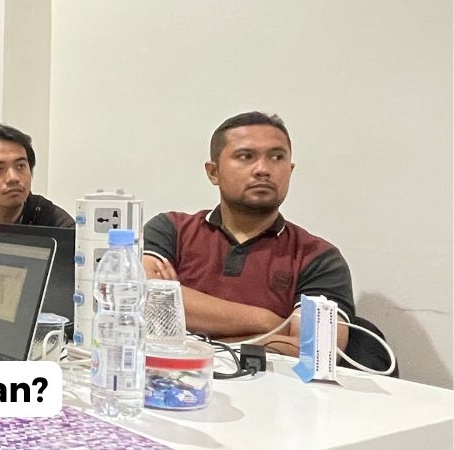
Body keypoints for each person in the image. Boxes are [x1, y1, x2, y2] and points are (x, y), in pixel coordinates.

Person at [141, 112, 353, 354]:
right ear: (213, 172)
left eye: (277, 157)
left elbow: (317, 351)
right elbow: (141, 299)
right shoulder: (171, 230)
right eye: (246, 156)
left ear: (290, 170)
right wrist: (268, 322)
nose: (263, 169)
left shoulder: (318, 257)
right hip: (175, 375)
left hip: (269, 380)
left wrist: (184, 322)